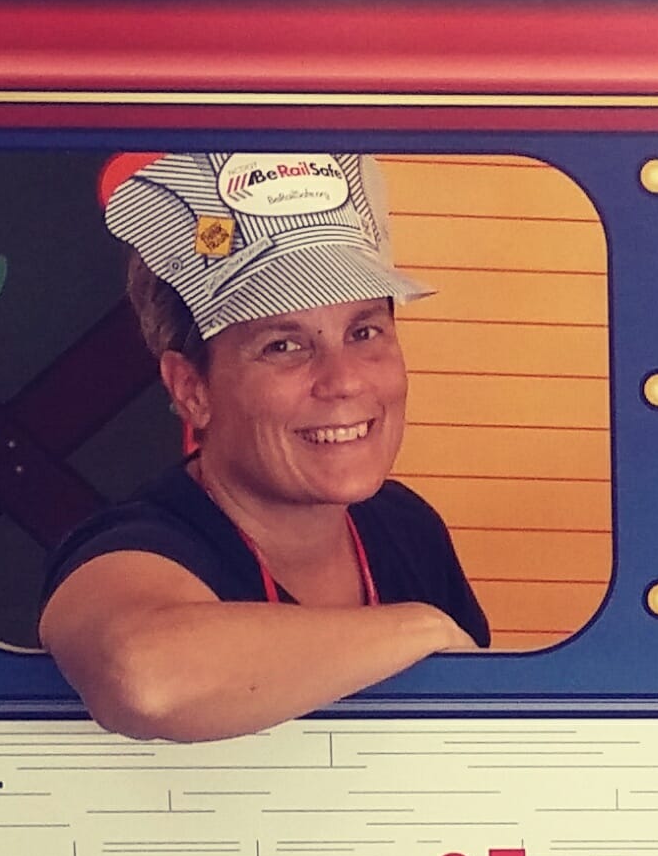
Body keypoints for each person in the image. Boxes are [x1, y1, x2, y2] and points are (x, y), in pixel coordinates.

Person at [41, 151, 487, 740]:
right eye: (283, 345)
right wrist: (420, 629)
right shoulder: (140, 543)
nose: (344, 381)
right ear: (192, 389)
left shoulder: (407, 526)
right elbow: (144, 678)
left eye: (364, 332)